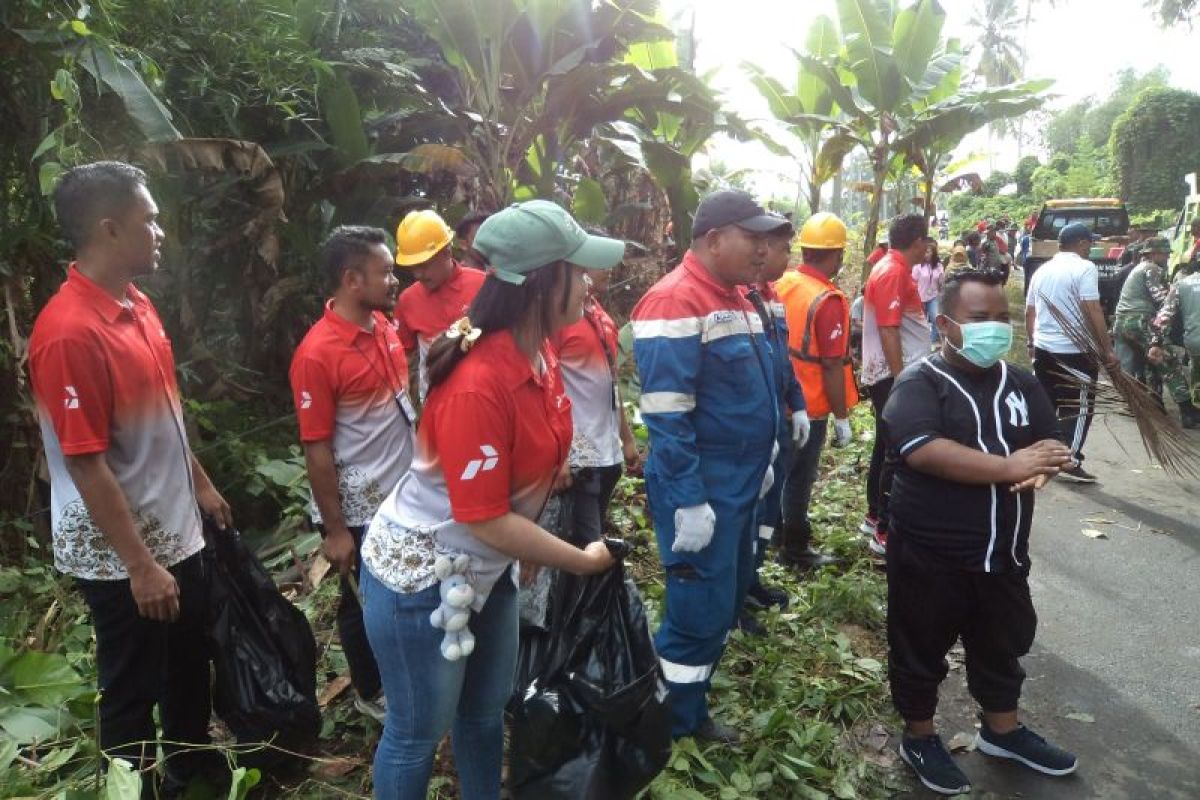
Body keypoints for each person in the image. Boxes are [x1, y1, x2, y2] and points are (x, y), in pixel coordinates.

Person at [359, 200, 622, 800]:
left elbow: (522, 475)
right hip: (421, 576)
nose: (589, 281)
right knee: (416, 732)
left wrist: (526, 542)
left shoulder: (540, 353)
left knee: (484, 713)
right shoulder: (480, 383)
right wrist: (576, 558)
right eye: (577, 270)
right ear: (540, 283)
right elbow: (481, 514)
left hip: (488, 564)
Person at [28, 162, 232, 795]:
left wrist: (198, 482)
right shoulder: (68, 334)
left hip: (175, 523)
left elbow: (163, 414)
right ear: (110, 229)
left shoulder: (136, 304)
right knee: (131, 685)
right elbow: (86, 463)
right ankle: (134, 786)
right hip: (121, 551)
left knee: (189, 661)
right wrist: (140, 566)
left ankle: (191, 770)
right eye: (149, 219)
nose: (160, 230)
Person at [884, 269, 1078, 795]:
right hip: (931, 555)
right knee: (919, 647)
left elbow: (1050, 439)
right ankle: (920, 736)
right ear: (946, 324)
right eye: (979, 319)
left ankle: (1002, 732)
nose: (994, 328)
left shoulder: (1020, 381)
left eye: (1001, 318)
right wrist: (1012, 466)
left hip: (1004, 550)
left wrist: (1044, 464)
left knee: (1001, 643)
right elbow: (922, 449)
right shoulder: (920, 383)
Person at [632, 189, 784, 742]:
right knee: (698, 611)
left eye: (768, 238)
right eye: (754, 237)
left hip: (739, 483)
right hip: (701, 488)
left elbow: (751, 391)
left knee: (725, 597)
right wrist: (689, 500)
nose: (764, 249)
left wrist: (765, 456)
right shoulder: (674, 302)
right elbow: (668, 417)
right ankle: (670, 723)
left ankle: (685, 706)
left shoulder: (738, 297)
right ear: (714, 239)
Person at [289, 226, 415, 722]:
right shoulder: (317, 354)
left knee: (401, 587)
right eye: (384, 272)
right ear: (351, 279)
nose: (394, 279)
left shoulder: (382, 327)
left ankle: (401, 671)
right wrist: (336, 529)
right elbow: (315, 449)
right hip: (358, 506)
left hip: (403, 490)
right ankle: (370, 688)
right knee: (361, 601)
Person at [739, 218, 814, 633]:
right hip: (755, 431)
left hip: (777, 423)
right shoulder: (738, 299)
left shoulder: (771, 297)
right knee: (747, 517)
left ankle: (752, 579)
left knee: (767, 513)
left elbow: (781, 361)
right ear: (761, 250)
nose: (790, 257)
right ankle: (737, 594)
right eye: (785, 249)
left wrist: (797, 404)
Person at [776, 212, 859, 572]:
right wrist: (841, 418)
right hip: (809, 405)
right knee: (799, 478)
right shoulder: (827, 300)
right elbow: (831, 364)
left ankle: (774, 533)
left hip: (778, 396)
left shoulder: (785, 282)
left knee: (779, 472)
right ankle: (794, 547)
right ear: (836, 255)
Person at [549, 257, 641, 546]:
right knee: (586, 546)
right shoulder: (558, 319)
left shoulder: (599, 314)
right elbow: (548, 388)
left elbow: (611, 383)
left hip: (606, 451)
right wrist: (559, 455)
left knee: (591, 538)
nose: (610, 267)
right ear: (579, 270)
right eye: (602, 261)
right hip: (578, 455)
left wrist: (626, 439)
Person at [1025, 223, 1121, 484]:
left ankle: (1041, 453)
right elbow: (1092, 308)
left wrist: (1032, 344)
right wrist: (1107, 350)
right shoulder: (1084, 267)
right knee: (1079, 407)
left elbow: (1030, 311)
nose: (1091, 247)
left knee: (1048, 403)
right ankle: (1070, 457)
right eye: (1090, 242)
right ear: (1080, 243)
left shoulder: (1042, 270)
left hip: (1044, 349)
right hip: (1073, 350)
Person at [859, 214, 932, 555]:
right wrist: (903, 378)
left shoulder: (893, 267)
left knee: (886, 445)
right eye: (926, 242)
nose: (928, 248)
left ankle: (875, 515)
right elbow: (889, 329)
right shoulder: (893, 271)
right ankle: (884, 529)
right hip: (892, 375)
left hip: (891, 373)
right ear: (918, 241)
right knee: (896, 450)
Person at [393, 209, 486, 400]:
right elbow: (405, 359)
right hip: (434, 403)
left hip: (483, 398)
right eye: (413, 267)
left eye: (424, 265)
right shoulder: (408, 300)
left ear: (447, 251)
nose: (418, 274)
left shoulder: (483, 285)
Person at [1111, 237, 1184, 398]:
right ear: (1154, 254)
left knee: (1130, 365)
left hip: (1121, 321)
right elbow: (1162, 299)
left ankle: (1136, 402)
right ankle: (1187, 409)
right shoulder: (1152, 268)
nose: (1167, 258)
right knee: (1165, 359)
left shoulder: (1138, 268)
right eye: (1165, 254)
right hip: (1138, 320)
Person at [1149, 267, 1200, 428]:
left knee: (1197, 378)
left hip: (1194, 341)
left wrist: (1156, 342)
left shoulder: (1183, 284)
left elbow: (1164, 315)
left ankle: (1193, 414)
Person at [912, 238, 945, 344]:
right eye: (924, 251)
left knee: (935, 318)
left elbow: (941, 282)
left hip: (933, 297)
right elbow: (913, 282)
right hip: (919, 297)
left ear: (933, 253)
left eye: (928, 252)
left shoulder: (939, 266)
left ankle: (931, 341)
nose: (925, 254)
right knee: (921, 322)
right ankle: (920, 341)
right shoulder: (917, 266)